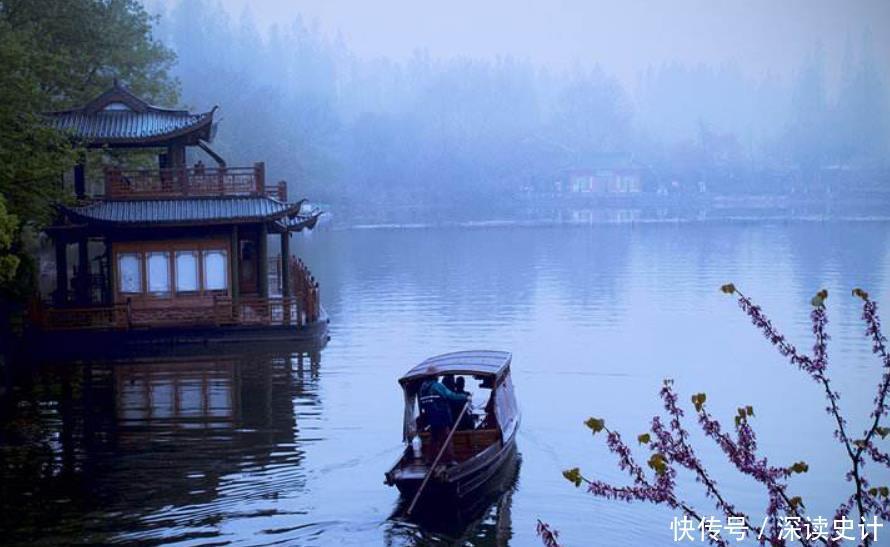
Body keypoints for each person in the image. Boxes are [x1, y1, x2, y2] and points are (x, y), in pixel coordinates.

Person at [418, 371, 470, 465]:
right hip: (441, 416)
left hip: (430, 417)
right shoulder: (437, 386)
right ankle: (449, 460)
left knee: (434, 438)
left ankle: (431, 459)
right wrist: (465, 397)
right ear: (435, 376)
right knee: (446, 438)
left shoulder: (423, 388)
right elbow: (451, 396)